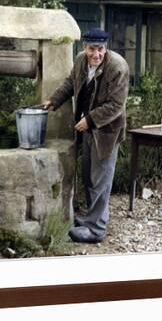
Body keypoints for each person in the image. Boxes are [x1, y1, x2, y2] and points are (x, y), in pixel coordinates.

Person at [43, 28, 129, 243]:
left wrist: (89, 120)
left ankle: (96, 230)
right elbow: (71, 83)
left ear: (105, 48)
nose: (96, 54)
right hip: (88, 128)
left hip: (106, 131)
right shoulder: (81, 60)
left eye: (100, 49)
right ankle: (93, 217)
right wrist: (54, 100)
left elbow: (116, 105)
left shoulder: (117, 67)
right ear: (84, 47)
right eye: (92, 49)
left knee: (101, 179)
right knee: (90, 176)